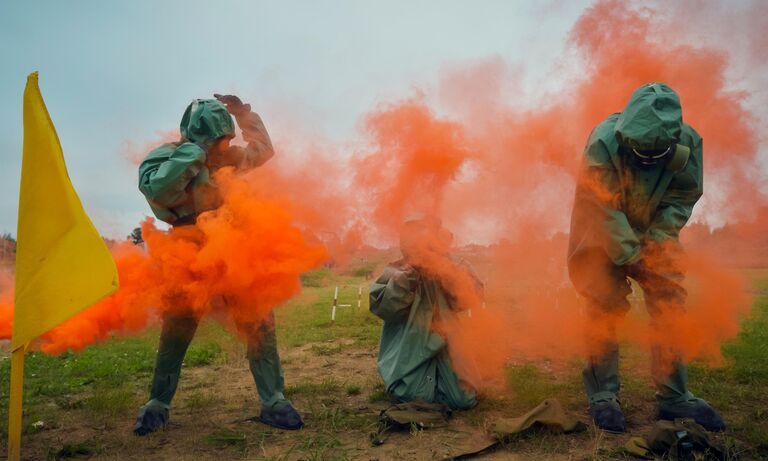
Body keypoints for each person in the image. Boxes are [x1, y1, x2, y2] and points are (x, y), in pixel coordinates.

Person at [133, 95, 303, 435]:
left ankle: (273, 401)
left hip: (232, 248)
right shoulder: (166, 158)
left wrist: (244, 115)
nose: (223, 148)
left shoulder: (230, 158)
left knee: (259, 325)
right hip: (188, 253)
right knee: (176, 331)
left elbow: (263, 150)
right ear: (195, 136)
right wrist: (194, 154)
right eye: (216, 141)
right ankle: (158, 404)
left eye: (226, 140)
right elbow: (159, 190)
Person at [568, 83, 725, 433]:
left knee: (670, 302)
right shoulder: (603, 141)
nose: (646, 164)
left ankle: (673, 397)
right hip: (601, 231)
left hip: (654, 230)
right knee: (603, 305)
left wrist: (656, 243)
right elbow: (602, 206)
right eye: (640, 156)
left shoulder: (690, 143)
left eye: (654, 157)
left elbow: (682, 197)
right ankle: (603, 396)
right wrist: (629, 254)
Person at [369, 218, 480, 410]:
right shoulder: (397, 271)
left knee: (463, 398)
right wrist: (409, 274)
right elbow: (385, 308)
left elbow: (471, 296)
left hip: (448, 344)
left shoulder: (451, 265)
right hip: (409, 347)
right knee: (410, 393)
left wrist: (446, 269)